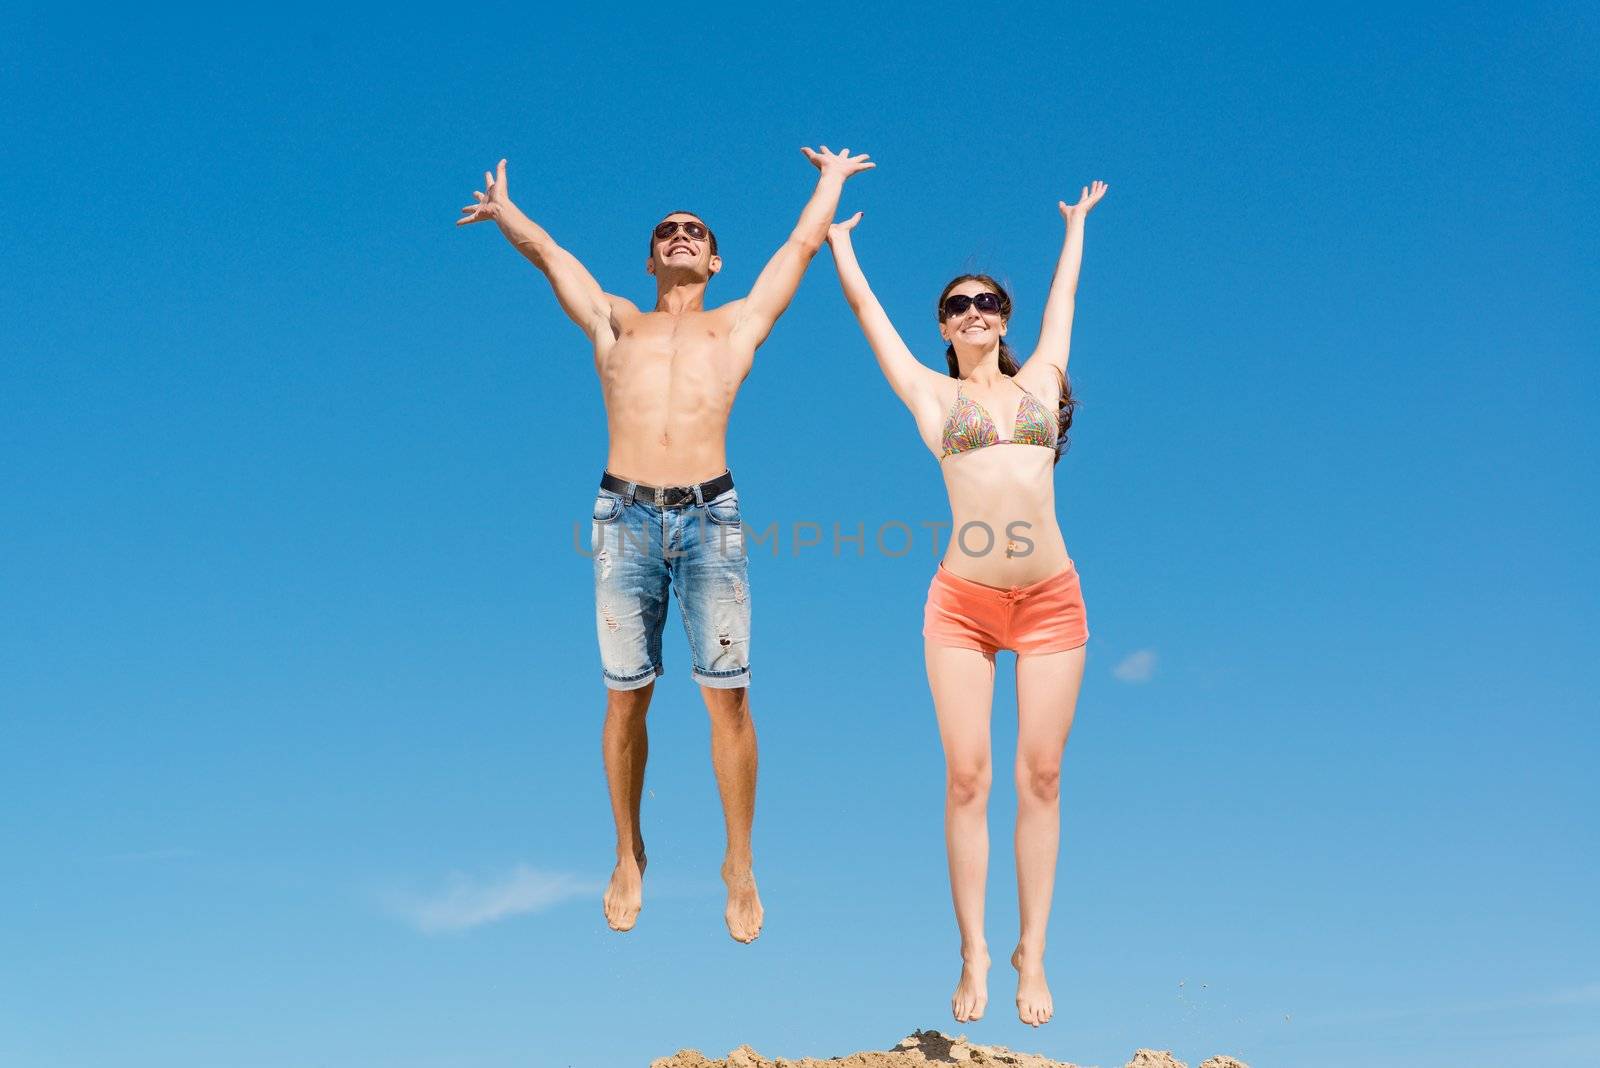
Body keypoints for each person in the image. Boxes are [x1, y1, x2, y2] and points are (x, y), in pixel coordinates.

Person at [456, 147, 874, 943]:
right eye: (666, 230)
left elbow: (798, 249)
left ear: (714, 259)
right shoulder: (617, 320)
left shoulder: (736, 323)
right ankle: (627, 849)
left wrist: (829, 182)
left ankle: (739, 861)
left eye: (695, 230)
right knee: (626, 696)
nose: (680, 234)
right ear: (651, 258)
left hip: (711, 516)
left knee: (729, 696)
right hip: (625, 518)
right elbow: (553, 257)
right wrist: (507, 213)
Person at [824, 180, 1108, 1023]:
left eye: (988, 302)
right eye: (959, 305)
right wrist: (838, 241)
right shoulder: (931, 395)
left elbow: (1067, 297)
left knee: (1043, 777)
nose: (975, 311)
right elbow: (869, 316)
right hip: (962, 607)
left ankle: (1034, 955)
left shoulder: (1044, 380)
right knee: (967, 778)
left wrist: (1074, 227)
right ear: (944, 327)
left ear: (1005, 319)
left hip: (1052, 602)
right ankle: (975, 952)